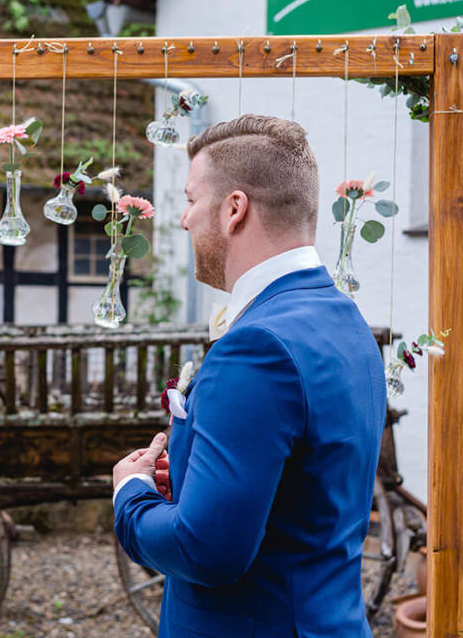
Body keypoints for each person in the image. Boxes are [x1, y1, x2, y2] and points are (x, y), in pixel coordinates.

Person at [112, 115, 385, 637]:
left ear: (235, 209)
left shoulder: (256, 347)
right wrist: (194, 480)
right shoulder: (346, 320)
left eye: (191, 200)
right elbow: (305, 491)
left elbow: (205, 551)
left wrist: (133, 493)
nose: (183, 220)